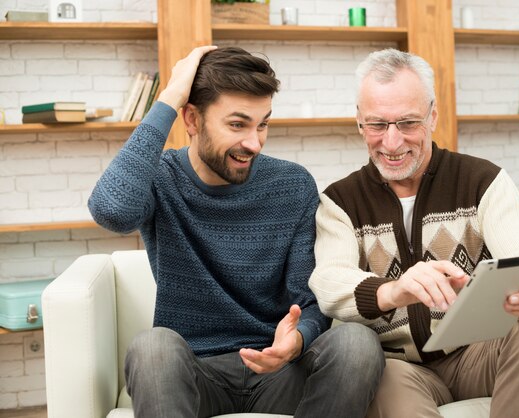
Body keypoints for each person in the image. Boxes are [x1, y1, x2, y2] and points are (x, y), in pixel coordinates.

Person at [88, 45, 384, 418]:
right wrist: (170, 97)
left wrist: (295, 342)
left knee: (357, 342)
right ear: (192, 120)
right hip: (195, 375)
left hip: (280, 373)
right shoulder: (161, 179)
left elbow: (310, 301)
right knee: (153, 347)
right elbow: (112, 211)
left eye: (263, 124)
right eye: (237, 124)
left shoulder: (291, 185)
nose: (254, 142)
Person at [309, 48, 519, 418]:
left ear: (433, 116)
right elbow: (329, 283)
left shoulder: (483, 181)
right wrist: (395, 290)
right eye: (378, 124)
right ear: (359, 123)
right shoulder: (340, 201)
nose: (392, 142)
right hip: (398, 367)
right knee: (378, 376)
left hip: (478, 355)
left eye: (408, 123)